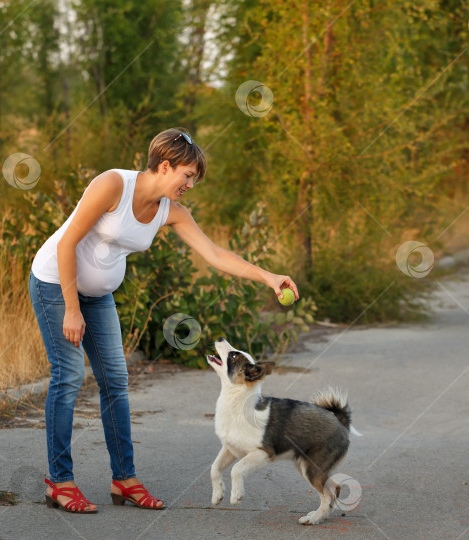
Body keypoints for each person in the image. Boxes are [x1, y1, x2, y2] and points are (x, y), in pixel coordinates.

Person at [28, 128, 299, 513]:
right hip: (56, 283)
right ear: (165, 164)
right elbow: (68, 242)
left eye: (195, 179)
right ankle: (60, 481)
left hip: (99, 296)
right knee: (69, 375)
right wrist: (71, 308)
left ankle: (124, 479)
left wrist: (268, 277)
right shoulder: (112, 185)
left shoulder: (171, 211)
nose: (191, 184)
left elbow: (216, 254)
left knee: (116, 382)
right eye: (187, 175)